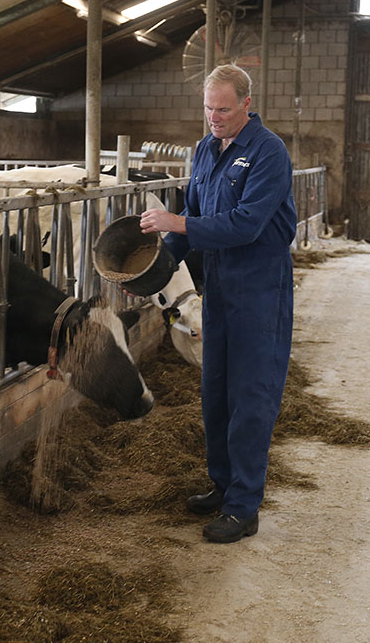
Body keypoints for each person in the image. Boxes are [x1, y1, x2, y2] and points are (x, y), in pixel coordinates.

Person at [140, 64, 296, 543]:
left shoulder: (269, 152)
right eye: (208, 108)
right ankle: (223, 486)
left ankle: (244, 506)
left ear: (247, 105)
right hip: (221, 287)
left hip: (260, 288)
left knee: (251, 398)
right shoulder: (205, 149)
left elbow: (245, 223)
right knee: (216, 394)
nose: (214, 118)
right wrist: (156, 270)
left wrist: (176, 224)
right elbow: (195, 213)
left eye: (223, 109)